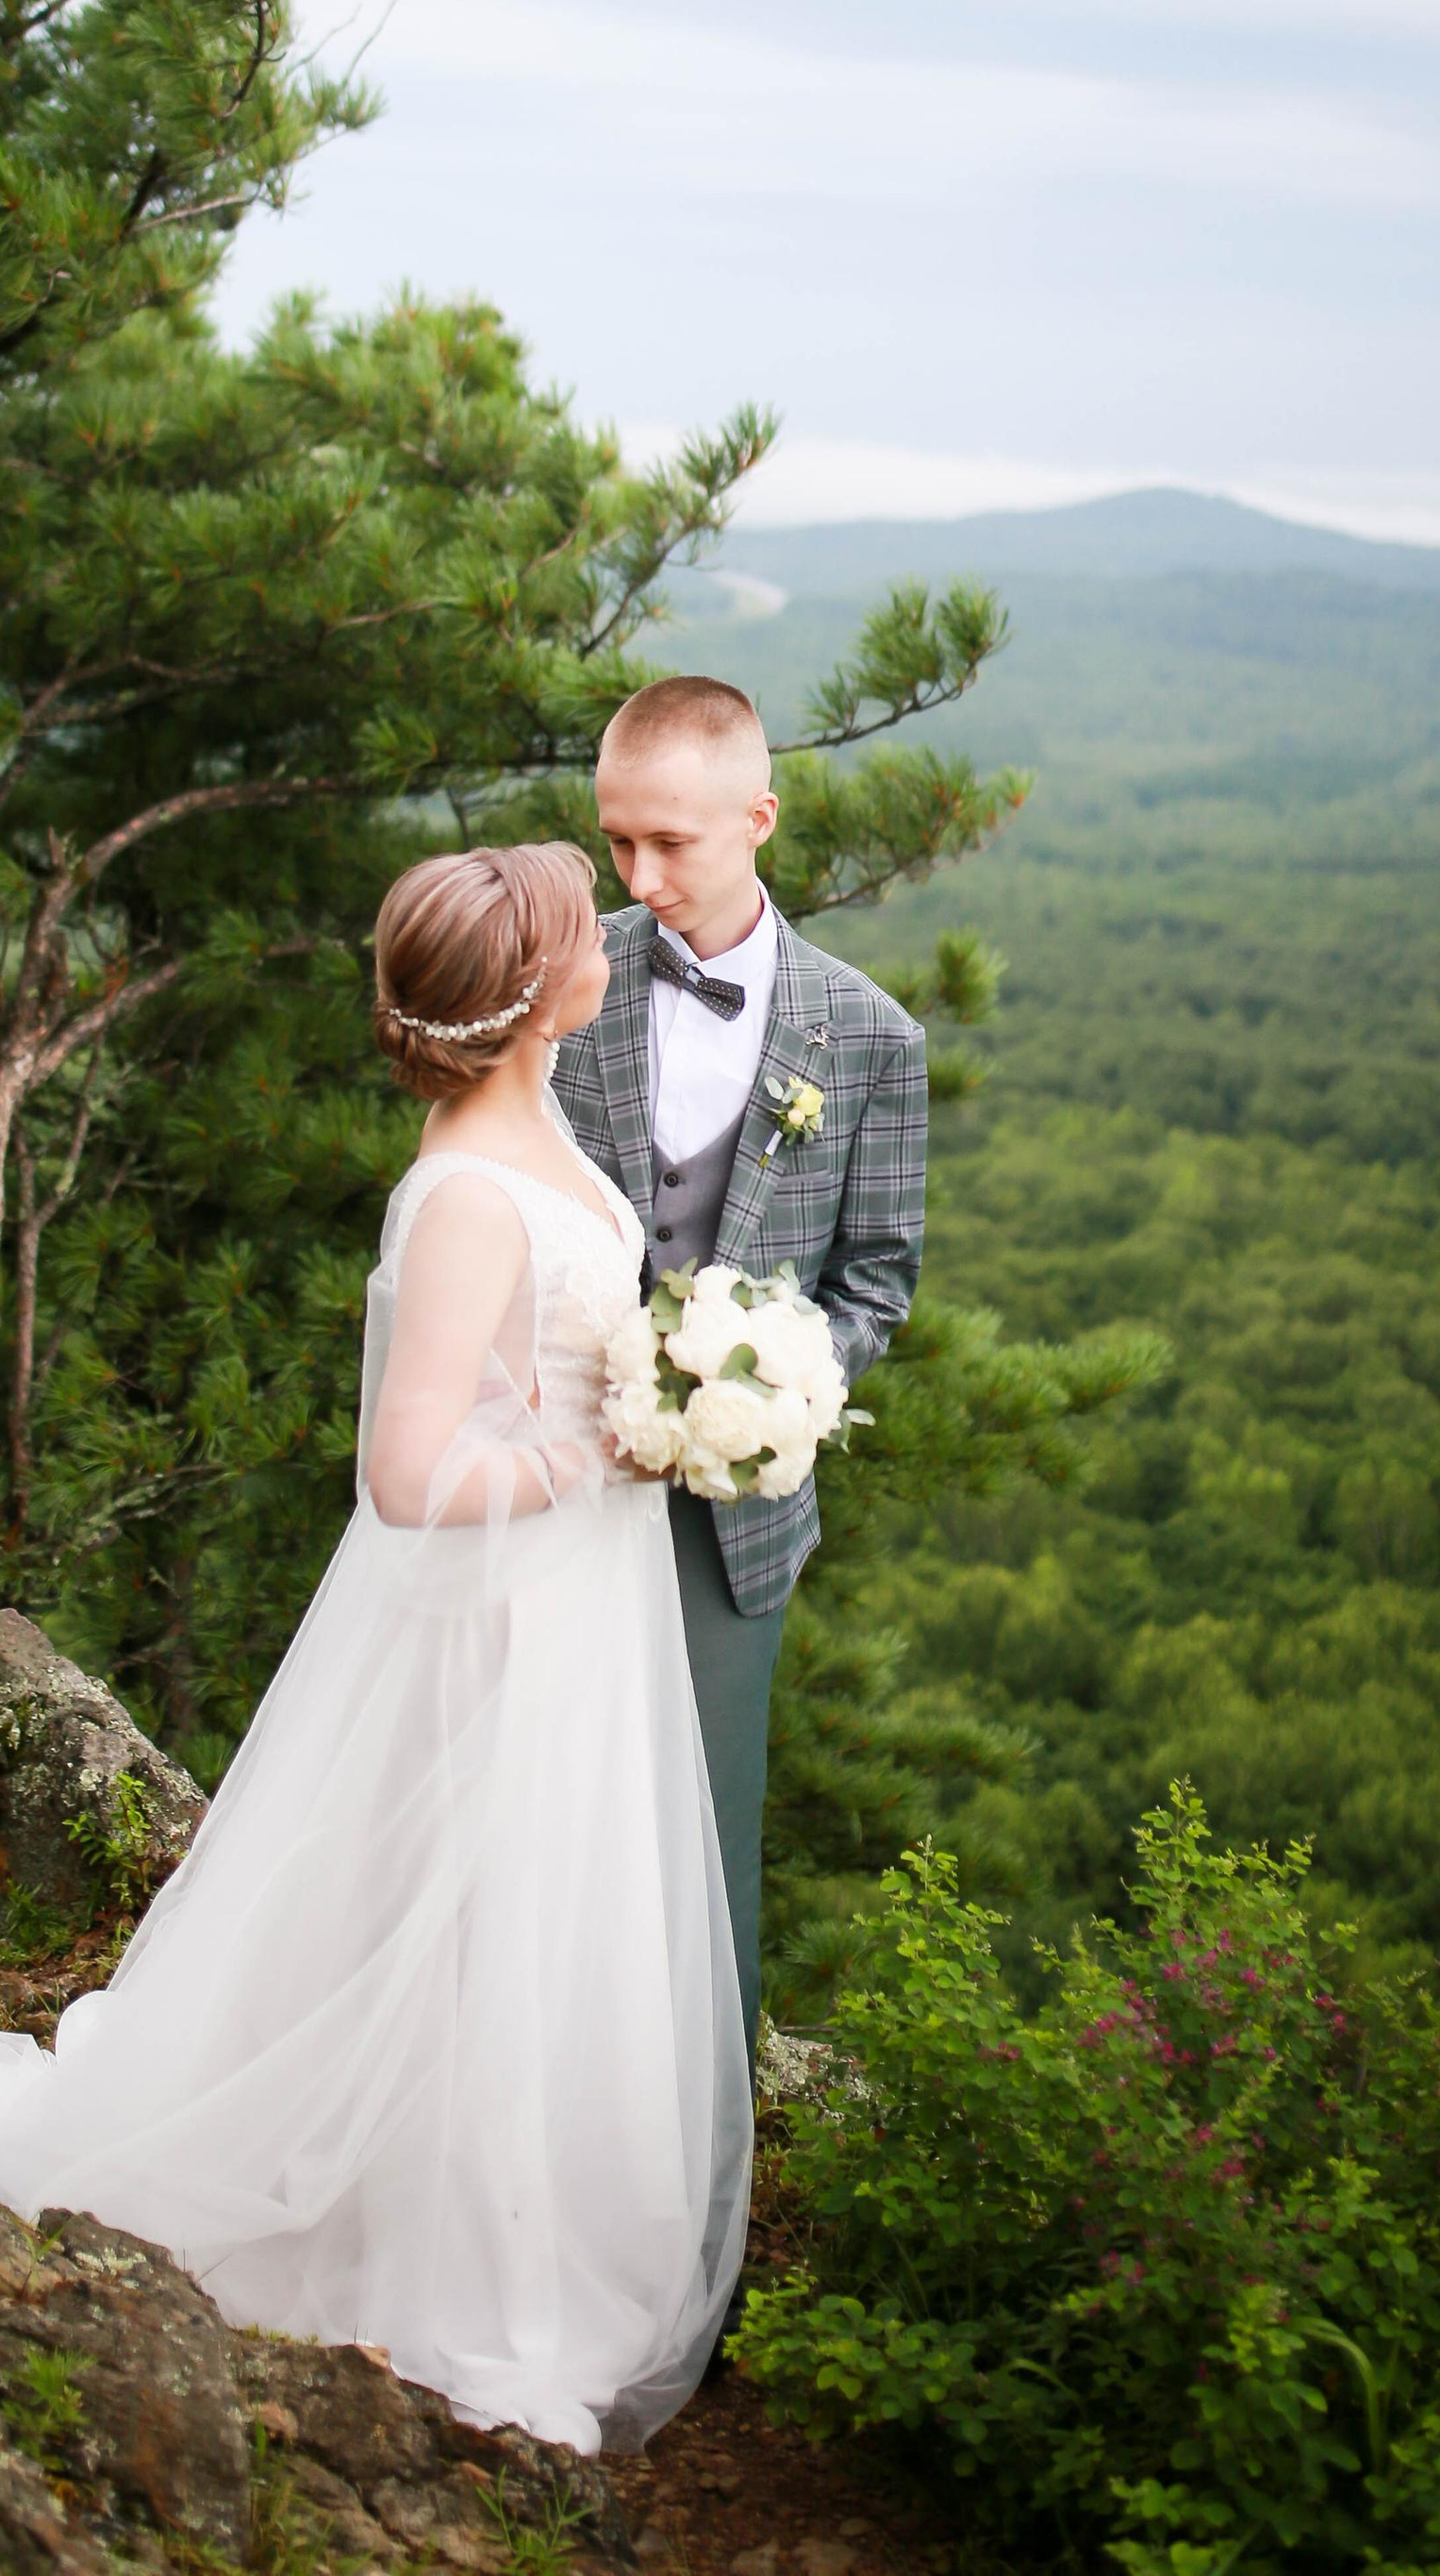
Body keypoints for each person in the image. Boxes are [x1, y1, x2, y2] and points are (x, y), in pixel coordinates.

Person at [0, 842, 748, 2458]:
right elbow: (403, 1476)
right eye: (571, 928)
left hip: (573, 1606)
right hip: (504, 1617)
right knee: (480, 1919)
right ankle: (450, 2253)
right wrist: (588, 1458)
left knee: (545, 1912)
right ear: (534, 1000)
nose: (606, 933)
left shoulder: (532, 1113)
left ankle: (511, 2194)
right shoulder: (467, 1191)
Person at [551, 675, 928, 2061]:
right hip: (549, 1484)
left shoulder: (873, 1038)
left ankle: (705, 2189)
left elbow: (876, 1277)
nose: (639, 878)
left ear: (758, 819)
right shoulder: (563, 982)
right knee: (545, 1821)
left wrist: (764, 1389)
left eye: (671, 844)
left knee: (709, 1847)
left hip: (735, 1523)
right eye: (616, 843)